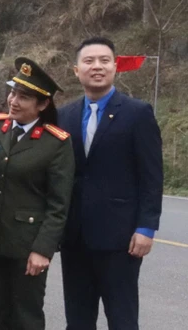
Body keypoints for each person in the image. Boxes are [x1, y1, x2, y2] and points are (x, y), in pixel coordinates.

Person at [57, 37, 162, 330]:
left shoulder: (137, 113)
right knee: (77, 319)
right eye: (89, 61)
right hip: (75, 236)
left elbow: (152, 176)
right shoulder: (64, 115)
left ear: (115, 67)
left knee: (122, 317)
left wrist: (146, 228)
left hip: (121, 238)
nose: (97, 67)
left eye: (104, 60)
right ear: (76, 70)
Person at [0, 58, 74, 330]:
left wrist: (42, 249)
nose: (13, 100)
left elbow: (59, 204)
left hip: (26, 245)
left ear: (43, 104)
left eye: (24, 97)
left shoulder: (55, 143)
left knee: (26, 317)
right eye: (12, 92)